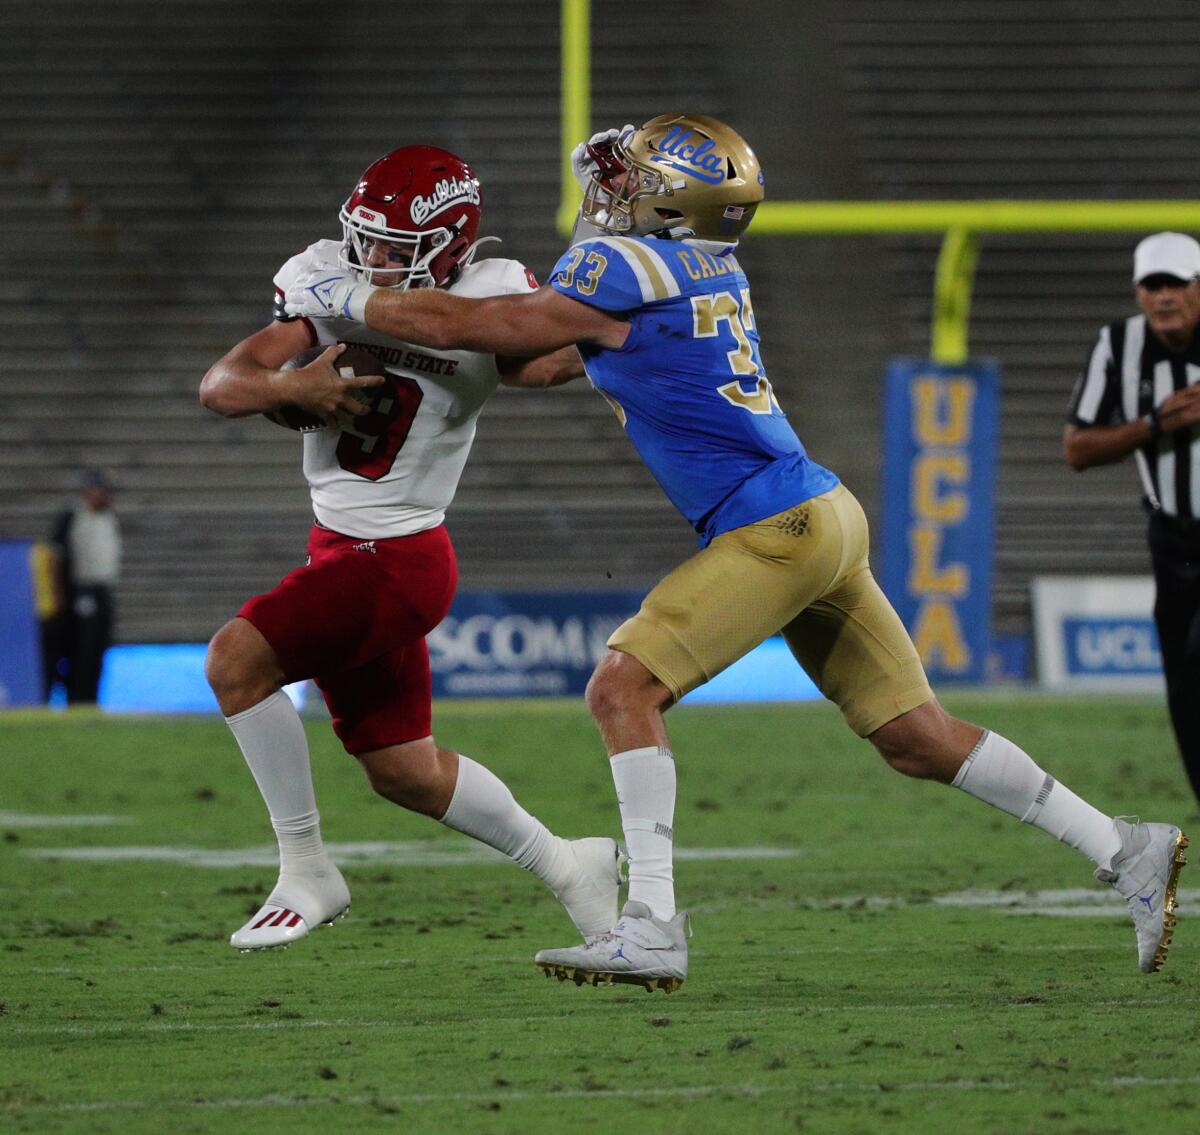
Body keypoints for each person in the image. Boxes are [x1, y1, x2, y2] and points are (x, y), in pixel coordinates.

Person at [284, 114, 1189, 992]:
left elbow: (478, 331)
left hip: (774, 527)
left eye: (636, 177)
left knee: (621, 686)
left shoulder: (624, 260)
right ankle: (1123, 845)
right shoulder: (698, 264)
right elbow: (555, 354)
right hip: (821, 513)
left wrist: (347, 297)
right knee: (918, 737)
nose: (614, 185)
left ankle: (650, 926)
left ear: (671, 205)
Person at [200, 144, 620, 955]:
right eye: (367, 238)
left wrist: (625, 339)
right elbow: (222, 382)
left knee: (233, 661)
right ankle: (572, 866)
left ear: (452, 246)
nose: (373, 258)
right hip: (339, 547)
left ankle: (306, 866)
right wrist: (292, 386)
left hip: (398, 557)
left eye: (397, 247)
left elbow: (534, 365)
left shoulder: (491, 293)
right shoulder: (327, 277)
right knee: (405, 771)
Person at [1065, 233, 1200, 808]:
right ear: (1137, 291)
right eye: (1153, 285)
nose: (1164, 296)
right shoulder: (1118, 344)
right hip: (1173, 540)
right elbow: (1077, 448)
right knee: (1185, 689)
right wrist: (1153, 423)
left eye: (1177, 283)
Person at [48, 468, 122, 704]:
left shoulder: (110, 518)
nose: (107, 497)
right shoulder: (73, 516)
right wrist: (57, 593)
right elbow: (54, 557)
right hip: (80, 591)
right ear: (89, 492)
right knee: (81, 648)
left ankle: (91, 697)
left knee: (98, 646)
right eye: (102, 491)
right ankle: (77, 697)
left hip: (103, 591)